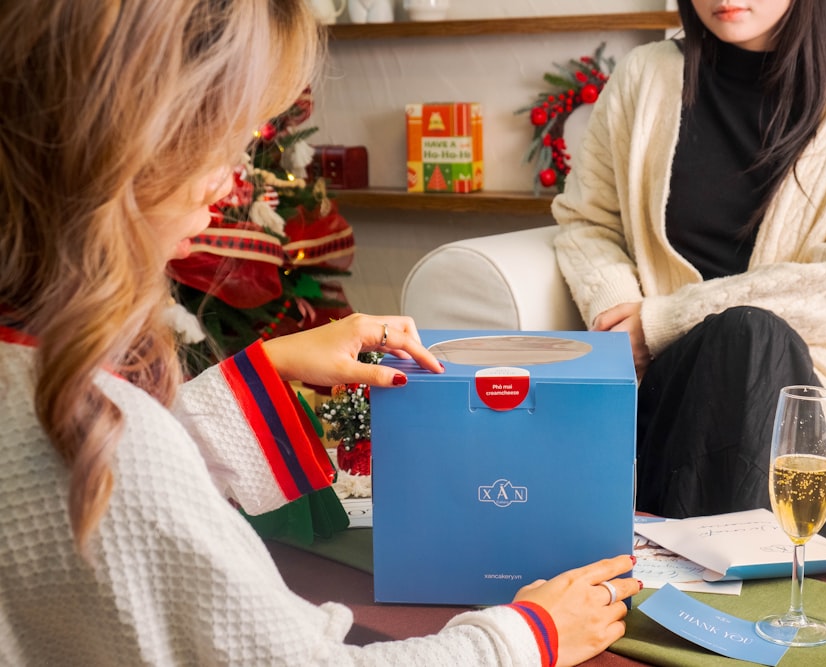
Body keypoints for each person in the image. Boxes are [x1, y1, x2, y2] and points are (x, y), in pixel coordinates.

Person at [0, 2, 640, 665]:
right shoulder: (120, 450)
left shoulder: (41, 387)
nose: (232, 186)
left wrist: (264, 372)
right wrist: (524, 636)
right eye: (223, 147)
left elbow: (98, 494)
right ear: (126, 150)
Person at [552, 0, 826, 594]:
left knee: (752, 334)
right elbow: (587, 221)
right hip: (689, 395)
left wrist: (662, 320)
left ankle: (742, 604)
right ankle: (752, 608)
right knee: (746, 338)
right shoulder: (645, 79)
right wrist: (614, 312)